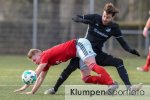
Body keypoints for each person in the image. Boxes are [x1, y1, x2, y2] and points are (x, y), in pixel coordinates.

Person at [45, 3, 142, 94]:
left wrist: (130, 50)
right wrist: (83, 20)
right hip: (83, 51)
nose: (104, 19)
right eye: (104, 16)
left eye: (108, 17)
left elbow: (123, 43)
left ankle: (129, 88)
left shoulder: (114, 27)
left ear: (113, 17)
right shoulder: (95, 18)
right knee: (70, 69)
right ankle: (54, 89)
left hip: (97, 54)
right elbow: (75, 17)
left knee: (119, 62)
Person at [14, 38, 118, 94]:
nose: (34, 62)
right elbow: (40, 77)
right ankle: (112, 84)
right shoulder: (46, 62)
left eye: (34, 59)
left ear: (39, 53)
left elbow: (35, 73)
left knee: (91, 65)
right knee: (86, 78)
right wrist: (32, 92)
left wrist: (26, 84)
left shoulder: (45, 55)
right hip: (78, 54)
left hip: (79, 45)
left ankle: (111, 83)